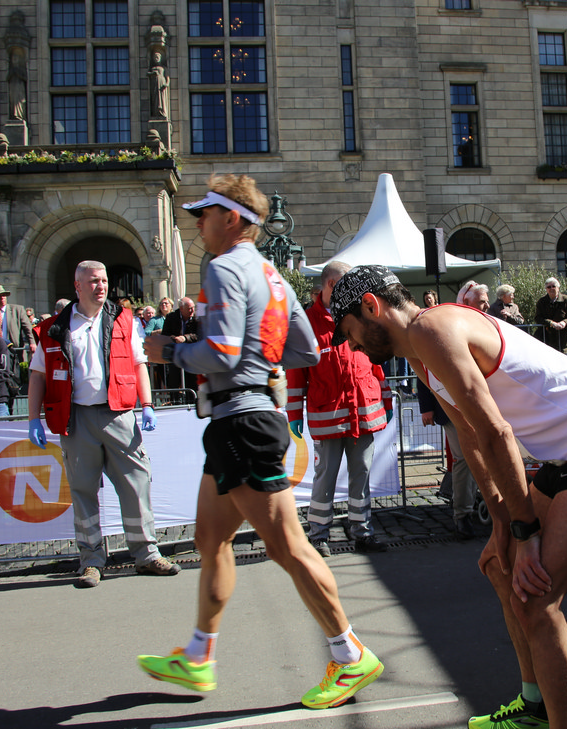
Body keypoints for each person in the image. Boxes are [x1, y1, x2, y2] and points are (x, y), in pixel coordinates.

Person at [329, 264, 567, 729]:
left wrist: (526, 532)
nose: (352, 346)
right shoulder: (419, 350)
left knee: (536, 601)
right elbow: (468, 434)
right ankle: (534, 708)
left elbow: (497, 432)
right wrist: (503, 522)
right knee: (499, 566)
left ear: (371, 307)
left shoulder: (432, 329)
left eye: (349, 332)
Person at [137, 175, 383, 708]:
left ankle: (349, 655)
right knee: (210, 538)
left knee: (287, 546)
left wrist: (169, 351)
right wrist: (256, 362)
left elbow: (222, 353)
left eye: (204, 214)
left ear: (232, 219)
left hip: (243, 424)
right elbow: (305, 351)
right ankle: (198, 656)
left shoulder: (224, 267)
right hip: (238, 421)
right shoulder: (272, 275)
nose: (197, 223)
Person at [27, 261, 179, 588]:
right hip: (76, 418)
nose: (101, 286)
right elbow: (38, 375)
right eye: (94, 281)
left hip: (118, 413)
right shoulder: (55, 327)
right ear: (77, 286)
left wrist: (147, 404)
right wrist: (32, 419)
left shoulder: (124, 319)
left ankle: (146, 554)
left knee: (136, 484)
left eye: (105, 280)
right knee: (83, 491)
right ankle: (91, 561)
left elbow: (138, 364)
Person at [286, 261, 392, 557]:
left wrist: (385, 399)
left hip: (363, 412)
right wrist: (293, 414)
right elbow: (295, 374)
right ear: (332, 284)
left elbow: (374, 362)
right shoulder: (307, 323)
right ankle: (318, 535)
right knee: (325, 478)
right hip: (329, 417)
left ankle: (363, 533)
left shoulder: (357, 314)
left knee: (362, 475)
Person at [418, 379, 478, 539]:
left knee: (476, 459)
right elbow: (423, 373)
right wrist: (426, 407)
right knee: (465, 459)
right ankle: (463, 514)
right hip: (451, 407)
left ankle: (469, 510)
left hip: (477, 403)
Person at [0, 284, 35, 363]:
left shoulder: (17, 310)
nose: (2, 298)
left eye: (4, 295)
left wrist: (32, 343)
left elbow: (28, 329)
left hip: (14, 350)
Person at [162, 297, 200, 402]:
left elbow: (200, 335)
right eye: (189, 308)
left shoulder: (197, 318)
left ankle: (192, 402)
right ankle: (175, 402)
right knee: (173, 381)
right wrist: (175, 339)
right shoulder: (171, 317)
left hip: (192, 356)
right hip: (176, 355)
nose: (192, 310)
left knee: (192, 383)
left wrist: (186, 338)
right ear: (181, 309)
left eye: (193, 308)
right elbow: (165, 335)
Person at [534, 277, 567, 353]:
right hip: (547, 339)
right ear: (546, 289)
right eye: (549, 287)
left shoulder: (566, 300)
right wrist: (551, 323)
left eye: (553, 286)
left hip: (563, 340)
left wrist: (564, 322)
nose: (551, 289)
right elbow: (538, 318)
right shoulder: (542, 302)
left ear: (558, 288)